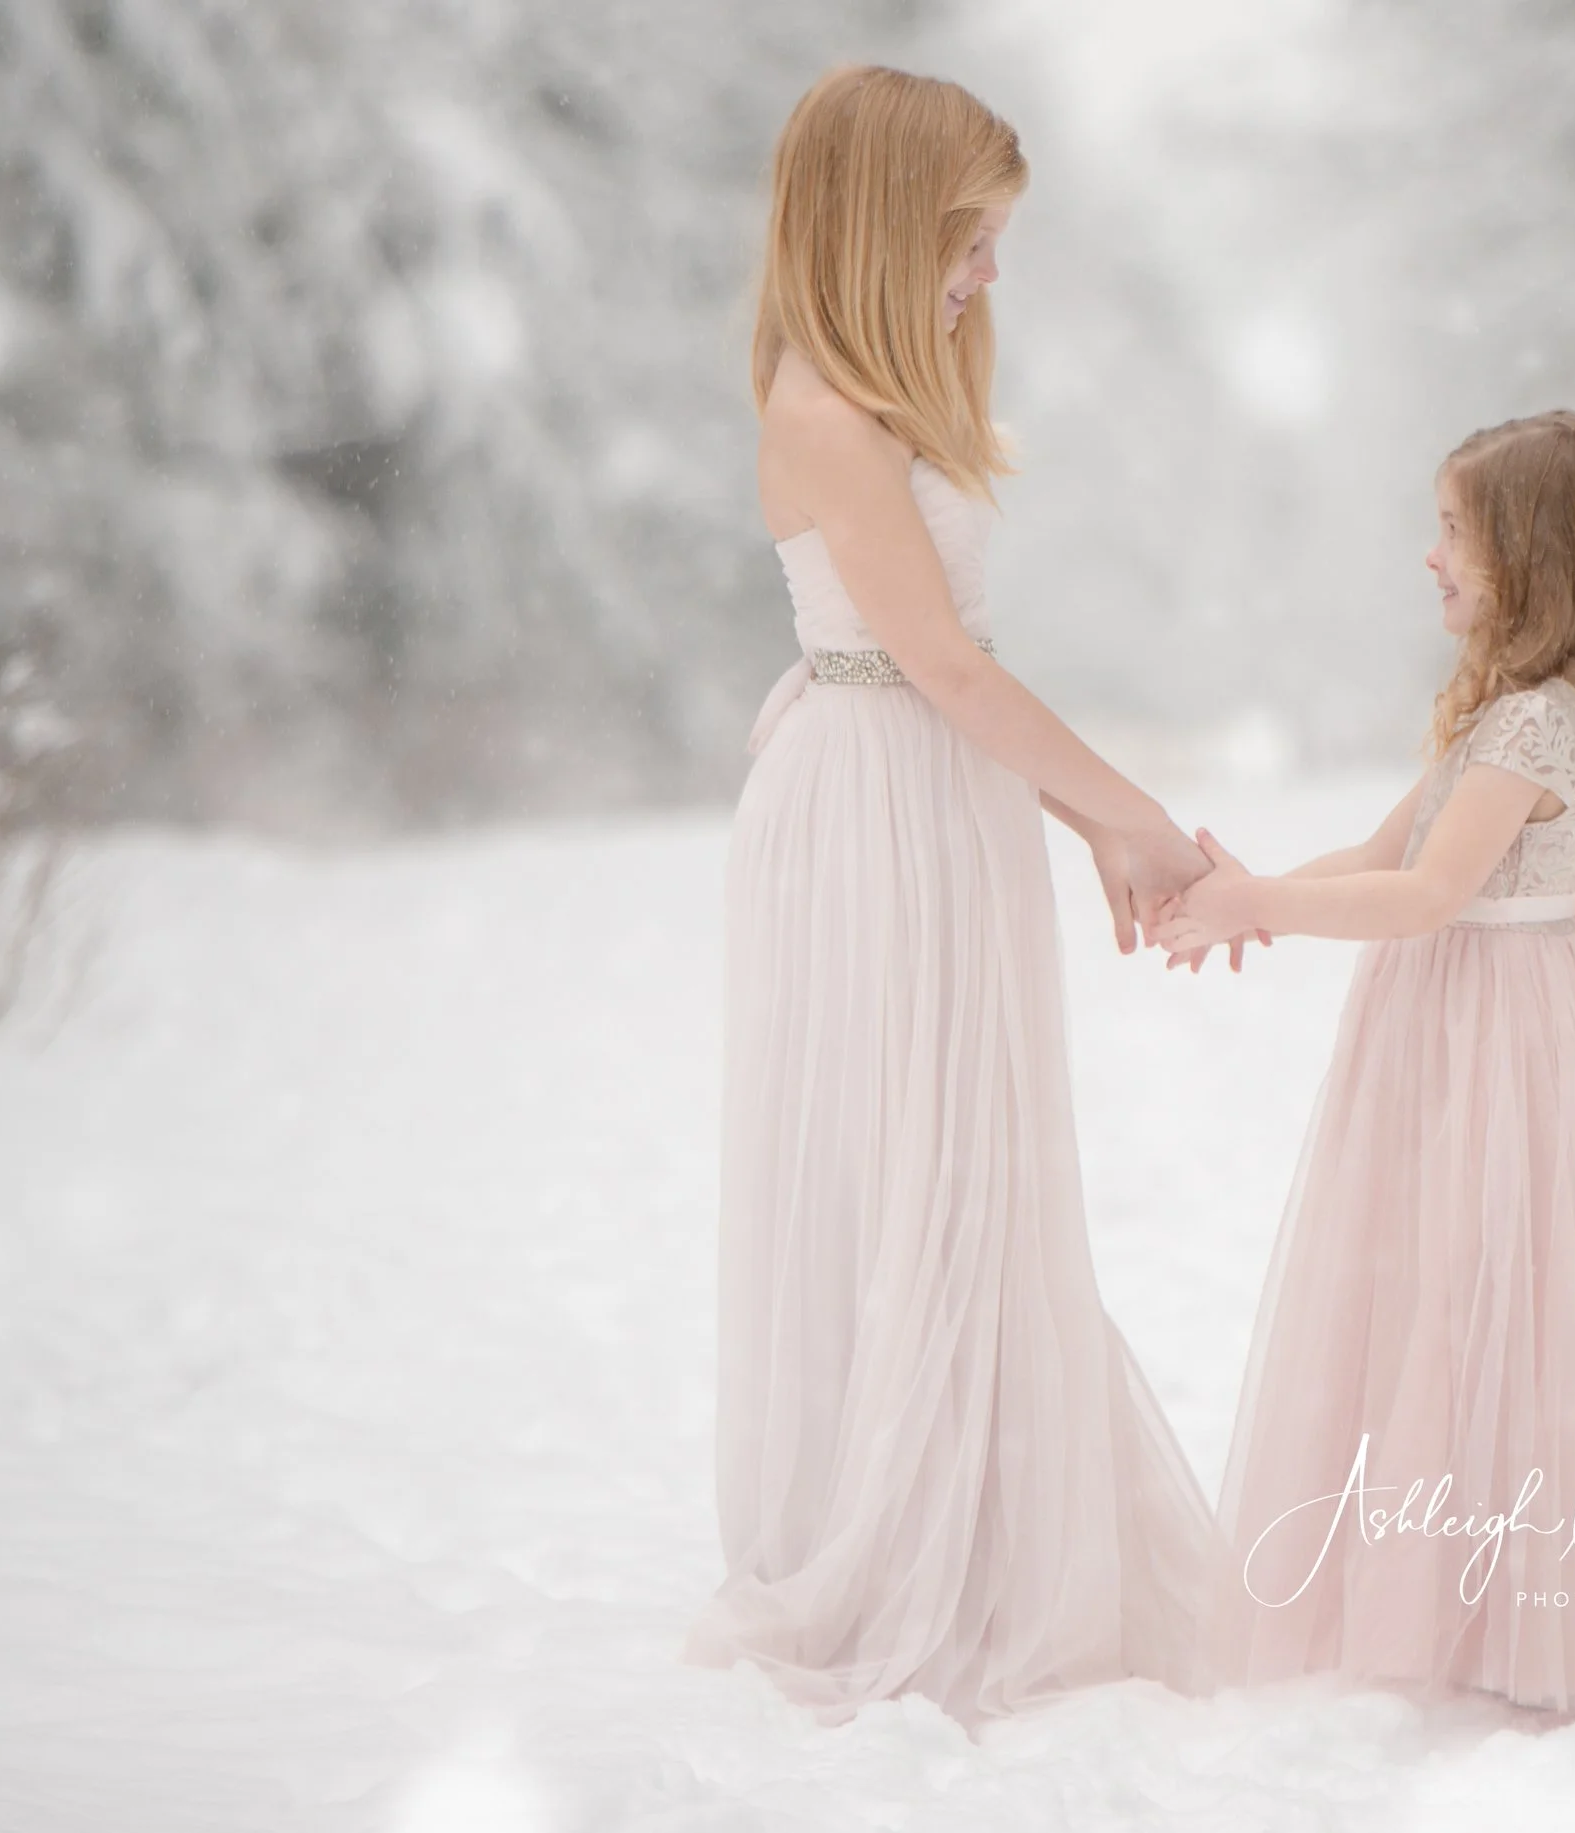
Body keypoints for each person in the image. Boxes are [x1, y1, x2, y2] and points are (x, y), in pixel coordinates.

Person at [680, 64, 1241, 1731]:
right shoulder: (819, 414)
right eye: (967, 238)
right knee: (912, 1153)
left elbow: (960, 670)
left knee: (967, 1147)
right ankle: (909, 1535)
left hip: (936, 789)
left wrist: (1083, 823)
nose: (988, 275)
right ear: (880, 229)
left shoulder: (869, 403)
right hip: (874, 803)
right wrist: (1134, 814)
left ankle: (979, 1516)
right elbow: (936, 667)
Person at [1155, 410, 1575, 1721]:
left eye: (1453, 530)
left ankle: (1512, 1595)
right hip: (1454, 1029)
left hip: (1500, 1036)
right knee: (1442, 1281)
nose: (1430, 555)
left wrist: (1258, 906)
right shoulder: (1501, 717)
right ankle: (1449, 1583)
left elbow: (1428, 895)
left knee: (1496, 1286)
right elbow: (1381, 859)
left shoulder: (1537, 731)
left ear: (1532, 555)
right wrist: (1242, 897)